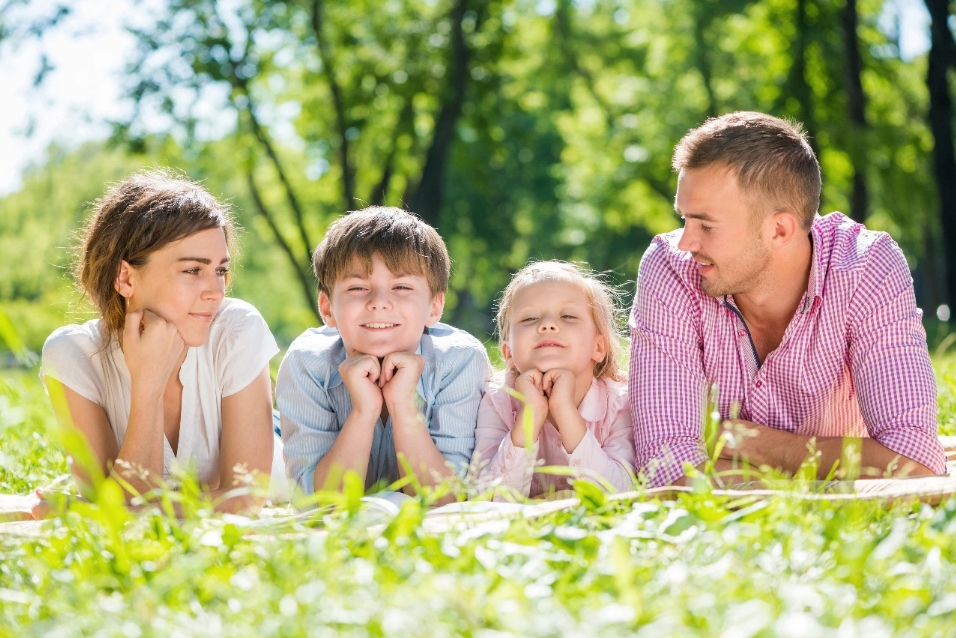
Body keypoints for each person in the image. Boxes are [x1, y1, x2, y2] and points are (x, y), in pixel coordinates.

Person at [629, 111, 947, 488]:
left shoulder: (866, 266)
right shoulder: (669, 267)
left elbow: (915, 463)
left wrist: (756, 446)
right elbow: (667, 467)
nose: (686, 243)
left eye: (706, 225)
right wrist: (835, 466)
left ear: (779, 229)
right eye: (685, 220)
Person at [39, 170, 284, 514]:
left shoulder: (237, 329)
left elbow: (244, 499)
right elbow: (115, 506)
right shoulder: (73, 355)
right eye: (192, 270)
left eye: (220, 270)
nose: (215, 291)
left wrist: (89, 509)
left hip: (279, 433)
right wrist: (148, 386)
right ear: (125, 277)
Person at [276, 206, 491, 506]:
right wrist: (364, 411)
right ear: (327, 308)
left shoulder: (459, 361)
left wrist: (402, 405)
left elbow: (446, 503)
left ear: (434, 306)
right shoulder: (307, 362)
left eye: (401, 286)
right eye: (358, 287)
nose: (379, 303)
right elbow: (319, 506)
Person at [472, 261, 635, 499]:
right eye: (529, 319)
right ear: (508, 354)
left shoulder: (621, 402)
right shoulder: (497, 400)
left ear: (599, 347)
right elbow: (485, 499)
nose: (547, 325)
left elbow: (620, 495)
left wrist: (563, 409)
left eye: (568, 316)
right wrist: (531, 415)